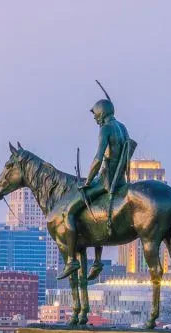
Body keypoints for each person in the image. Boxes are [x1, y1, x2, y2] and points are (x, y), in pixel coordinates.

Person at [58, 96, 135, 280]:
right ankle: (98, 261)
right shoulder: (122, 128)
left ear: (101, 112)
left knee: (69, 212)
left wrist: (87, 182)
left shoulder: (106, 129)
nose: (95, 119)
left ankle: (71, 260)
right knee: (94, 209)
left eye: (95, 115)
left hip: (106, 181)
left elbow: (98, 159)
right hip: (121, 181)